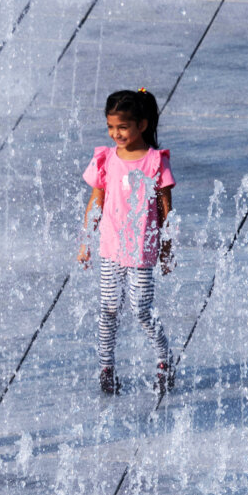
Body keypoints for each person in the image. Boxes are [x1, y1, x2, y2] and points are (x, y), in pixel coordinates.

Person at [79, 88, 175, 394]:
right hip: (110, 248)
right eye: (110, 127)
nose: (115, 134)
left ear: (142, 126)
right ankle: (106, 368)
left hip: (142, 250)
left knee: (141, 309)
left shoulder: (155, 161)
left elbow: (166, 210)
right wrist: (86, 243)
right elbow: (95, 202)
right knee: (108, 308)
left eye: (122, 127)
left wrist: (167, 249)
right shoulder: (106, 158)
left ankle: (164, 360)